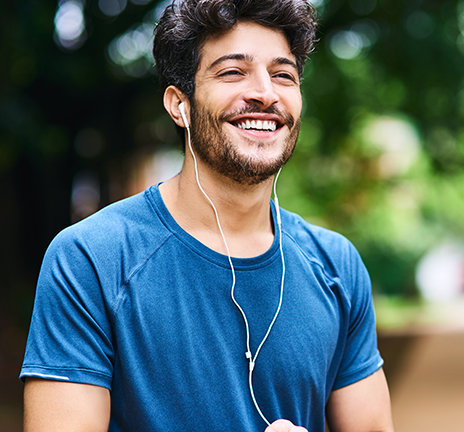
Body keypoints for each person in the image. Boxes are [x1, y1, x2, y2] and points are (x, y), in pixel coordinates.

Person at [20, 0, 394, 431]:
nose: (265, 93)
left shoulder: (336, 267)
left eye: (283, 75)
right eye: (233, 72)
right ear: (180, 105)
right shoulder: (91, 260)